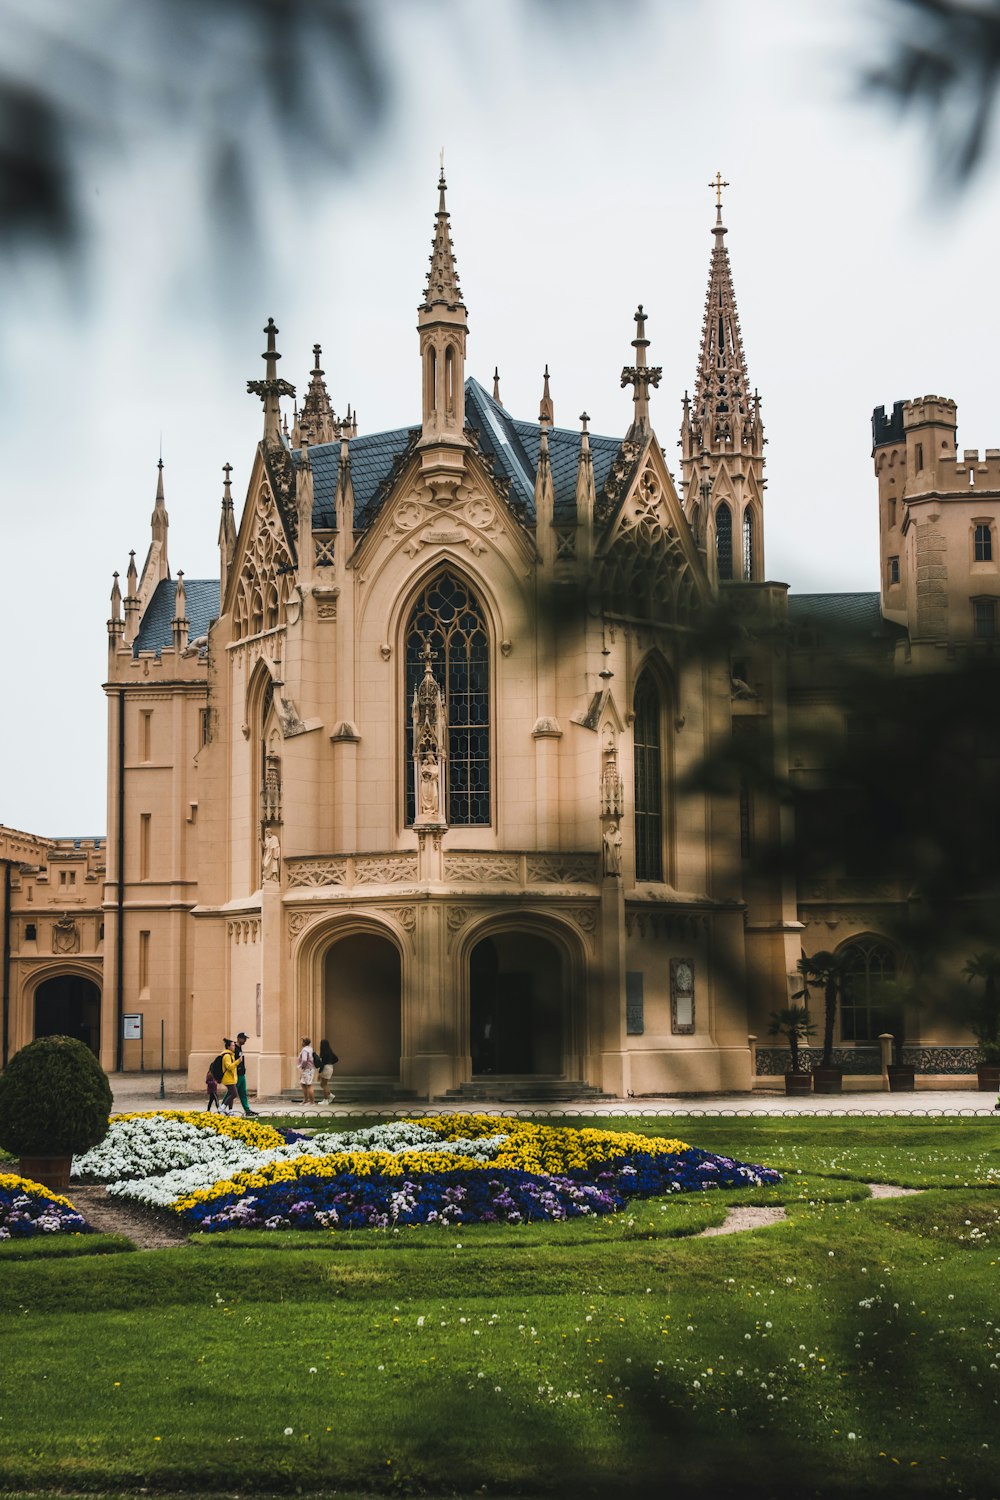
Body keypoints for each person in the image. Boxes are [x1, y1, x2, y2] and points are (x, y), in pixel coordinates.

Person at [233, 1032, 258, 1116]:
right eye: (244, 1039)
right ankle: (222, 1107)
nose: (245, 1041)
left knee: (243, 1093)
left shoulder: (240, 1048)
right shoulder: (234, 1048)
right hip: (236, 1074)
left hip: (242, 1073)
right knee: (232, 1092)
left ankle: (247, 1110)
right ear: (239, 1038)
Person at [220, 1039, 239, 1111]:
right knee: (234, 1094)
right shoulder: (227, 1056)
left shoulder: (231, 1055)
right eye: (233, 1045)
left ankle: (230, 1110)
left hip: (231, 1078)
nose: (234, 1047)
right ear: (228, 1047)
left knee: (230, 1094)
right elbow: (229, 1067)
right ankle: (222, 1107)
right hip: (228, 1079)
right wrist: (238, 1062)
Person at [297, 1036, 316, 1104]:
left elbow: (304, 1060)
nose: (301, 1043)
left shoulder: (305, 1050)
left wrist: (302, 1066)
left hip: (307, 1069)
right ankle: (305, 1100)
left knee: (308, 1085)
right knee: (303, 1084)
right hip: (310, 1069)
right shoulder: (310, 1048)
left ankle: (312, 1102)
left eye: (302, 1041)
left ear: (304, 1042)